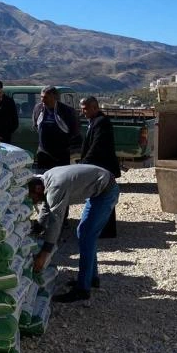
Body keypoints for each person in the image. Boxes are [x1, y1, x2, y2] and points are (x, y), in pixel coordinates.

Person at [28, 164, 119, 302]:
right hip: (98, 190)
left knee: (87, 236)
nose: (34, 202)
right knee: (84, 234)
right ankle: (91, 278)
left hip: (106, 192)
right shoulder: (46, 179)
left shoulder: (55, 186)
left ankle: (83, 290)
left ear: (38, 189)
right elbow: (47, 206)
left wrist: (44, 253)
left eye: (33, 198)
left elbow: (55, 221)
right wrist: (38, 227)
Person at [79, 95, 120, 238]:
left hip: (102, 167)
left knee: (104, 198)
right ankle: (102, 228)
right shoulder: (94, 121)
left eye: (85, 109)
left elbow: (97, 146)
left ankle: (106, 230)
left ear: (94, 108)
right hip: (98, 166)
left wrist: (85, 163)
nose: (83, 112)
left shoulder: (101, 122)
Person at [32, 86, 79, 171]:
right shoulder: (38, 108)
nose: (42, 100)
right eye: (41, 97)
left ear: (54, 97)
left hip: (61, 154)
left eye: (45, 97)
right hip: (43, 153)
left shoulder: (67, 111)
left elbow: (74, 132)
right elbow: (35, 125)